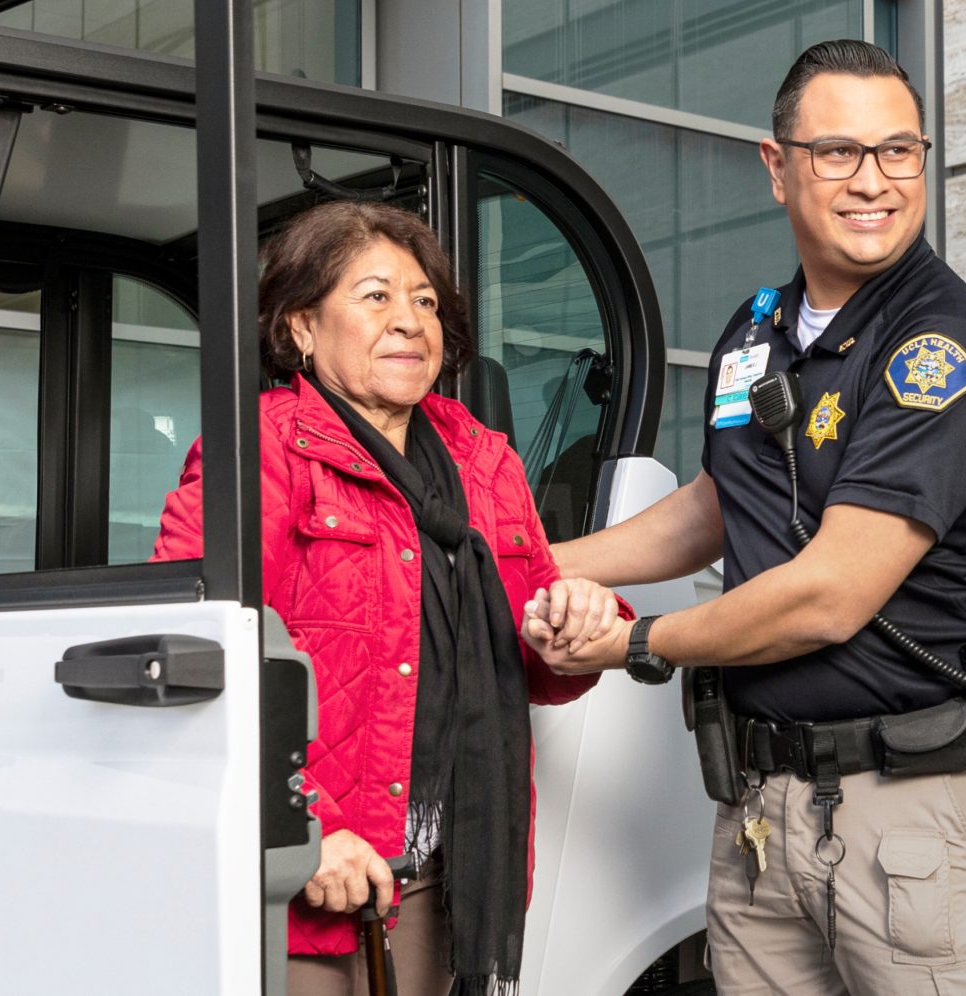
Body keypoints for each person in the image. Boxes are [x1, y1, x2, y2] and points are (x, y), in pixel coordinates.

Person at [523, 39, 966, 995]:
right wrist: (534, 561)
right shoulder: (755, 332)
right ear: (778, 168)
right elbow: (718, 504)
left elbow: (830, 597)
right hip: (760, 812)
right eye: (838, 152)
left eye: (899, 151)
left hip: (917, 811)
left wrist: (635, 644)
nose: (874, 181)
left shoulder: (946, 344)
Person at [152, 200, 622, 996]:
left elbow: (544, 665)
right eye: (376, 297)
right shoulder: (260, 448)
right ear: (301, 327)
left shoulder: (485, 461)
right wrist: (302, 826)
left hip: (452, 870)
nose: (408, 320)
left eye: (426, 302)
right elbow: (193, 653)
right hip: (313, 874)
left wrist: (581, 627)